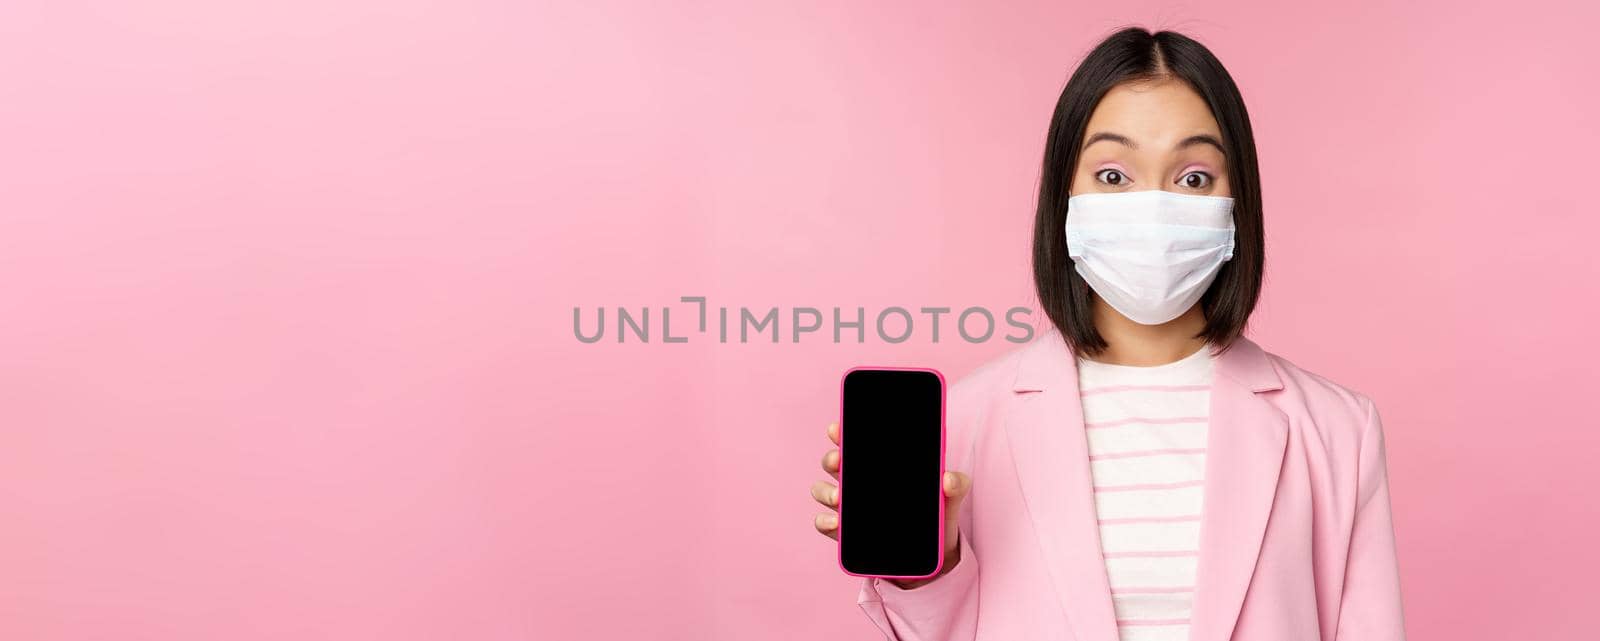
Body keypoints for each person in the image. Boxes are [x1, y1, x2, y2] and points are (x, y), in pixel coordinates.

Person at [809, 27, 1406, 641]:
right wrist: (926, 575)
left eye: (1194, 177)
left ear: (1237, 206)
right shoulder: (961, 425)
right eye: (1114, 176)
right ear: (1064, 200)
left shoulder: (1338, 431)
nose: (1152, 205)